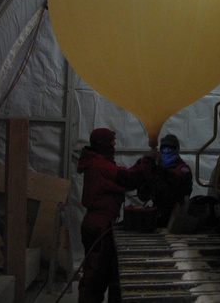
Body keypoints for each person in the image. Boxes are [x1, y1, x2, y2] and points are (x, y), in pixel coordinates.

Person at [77, 127, 157, 303]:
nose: (114, 145)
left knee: (102, 271)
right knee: (95, 277)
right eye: (111, 142)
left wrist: (141, 163)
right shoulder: (99, 165)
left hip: (98, 223)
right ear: (103, 144)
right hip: (99, 225)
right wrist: (147, 162)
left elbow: (123, 174)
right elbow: (126, 178)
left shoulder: (98, 162)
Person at [138, 133, 193, 227]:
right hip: (157, 214)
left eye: (170, 148)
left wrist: (157, 169)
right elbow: (143, 195)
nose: (167, 151)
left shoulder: (183, 168)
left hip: (176, 215)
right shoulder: (158, 169)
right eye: (164, 148)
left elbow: (176, 180)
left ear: (176, 150)